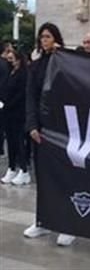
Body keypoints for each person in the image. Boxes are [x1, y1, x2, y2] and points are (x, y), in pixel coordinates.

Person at [23, 22, 76, 246]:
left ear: (56, 38)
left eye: (48, 36)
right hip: (41, 130)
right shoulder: (36, 66)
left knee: (63, 177)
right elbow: (30, 98)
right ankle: (43, 221)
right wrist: (32, 126)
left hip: (63, 129)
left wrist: (62, 55)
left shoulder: (66, 63)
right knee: (43, 178)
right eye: (41, 37)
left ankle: (68, 224)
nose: (44, 40)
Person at [0, 43, 29, 185]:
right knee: (10, 142)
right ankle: (11, 168)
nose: (11, 61)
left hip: (17, 112)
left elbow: (21, 94)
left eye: (13, 59)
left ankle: (24, 170)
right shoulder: (11, 72)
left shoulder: (23, 74)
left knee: (18, 141)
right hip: (7, 111)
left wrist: (8, 103)